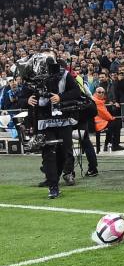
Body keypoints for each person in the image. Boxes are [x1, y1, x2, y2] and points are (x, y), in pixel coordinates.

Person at [17, 52, 82, 199]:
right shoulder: (31, 78)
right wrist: (27, 100)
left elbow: (77, 92)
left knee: (63, 153)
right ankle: (53, 186)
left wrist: (61, 97)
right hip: (44, 121)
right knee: (49, 153)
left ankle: (55, 179)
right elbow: (20, 98)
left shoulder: (64, 74)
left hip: (63, 120)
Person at [93, 87, 124, 151]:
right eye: (99, 92)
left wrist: (111, 118)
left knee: (112, 125)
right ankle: (115, 145)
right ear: (95, 93)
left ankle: (107, 145)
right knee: (117, 123)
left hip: (98, 122)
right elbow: (104, 114)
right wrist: (112, 118)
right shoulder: (97, 101)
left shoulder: (96, 100)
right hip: (98, 123)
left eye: (102, 92)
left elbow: (104, 114)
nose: (101, 94)